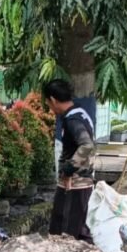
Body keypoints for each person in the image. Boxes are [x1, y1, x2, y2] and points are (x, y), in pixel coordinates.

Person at [43, 78, 96, 242]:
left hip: (74, 186)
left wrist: (68, 170)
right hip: (81, 185)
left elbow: (86, 145)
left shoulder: (73, 120)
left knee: (66, 235)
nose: (49, 108)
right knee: (77, 232)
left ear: (52, 99)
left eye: (48, 103)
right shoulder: (80, 112)